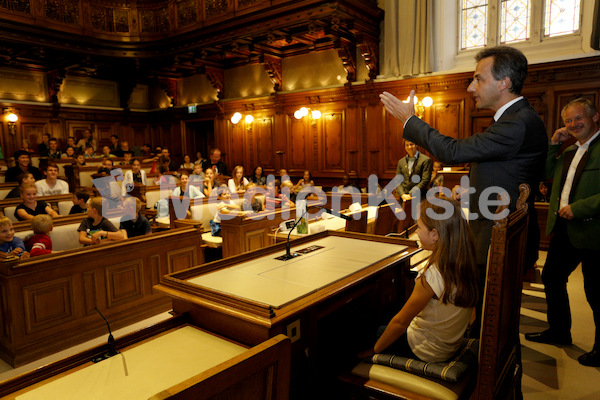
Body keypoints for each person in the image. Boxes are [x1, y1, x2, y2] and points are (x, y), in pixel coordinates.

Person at [380, 45, 547, 271]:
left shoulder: (517, 122)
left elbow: (453, 151)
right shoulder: (516, 118)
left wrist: (410, 120)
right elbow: (510, 172)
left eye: (478, 79)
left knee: (485, 302)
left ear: (504, 83)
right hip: (500, 231)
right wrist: (475, 191)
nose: (470, 87)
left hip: (500, 237)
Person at [524, 98, 600, 367]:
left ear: (595, 117)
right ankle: (559, 332)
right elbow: (543, 171)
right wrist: (554, 143)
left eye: (579, 118)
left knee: (596, 291)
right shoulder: (567, 152)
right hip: (565, 229)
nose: (573, 124)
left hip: (594, 231)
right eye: (568, 120)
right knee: (552, 277)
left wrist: (579, 208)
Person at [358, 197, 479, 363]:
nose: (417, 232)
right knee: (388, 314)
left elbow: (401, 323)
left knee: (365, 329)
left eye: (419, 227)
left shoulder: (432, 275)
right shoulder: (462, 261)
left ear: (435, 235)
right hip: (448, 344)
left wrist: (374, 350)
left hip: (427, 350)